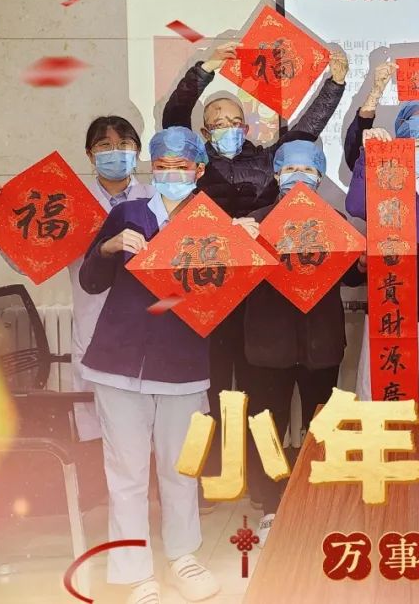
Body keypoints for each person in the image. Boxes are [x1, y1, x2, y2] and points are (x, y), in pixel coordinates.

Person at [78, 127, 258, 604]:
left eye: (181, 167)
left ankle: (182, 556)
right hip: (118, 362)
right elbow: (91, 281)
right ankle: (135, 572)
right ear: (151, 168)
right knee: (127, 472)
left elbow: (228, 297)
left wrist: (247, 246)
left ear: (199, 171)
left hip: (183, 363)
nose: (171, 175)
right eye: (162, 167)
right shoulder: (128, 214)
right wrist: (107, 248)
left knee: (181, 468)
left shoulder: (214, 223)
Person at [161, 39, 349, 469]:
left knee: (255, 395)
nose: (227, 127)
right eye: (217, 122)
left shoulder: (268, 162)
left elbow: (305, 133)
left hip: (260, 295)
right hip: (209, 290)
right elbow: (174, 118)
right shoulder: (195, 165)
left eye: (234, 121)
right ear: (204, 132)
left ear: (246, 127)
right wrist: (206, 68)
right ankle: (213, 472)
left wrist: (334, 85)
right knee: (209, 388)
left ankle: (254, 474)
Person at [0, 116, 154, 448]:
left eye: (124, 144)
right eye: (104, 145)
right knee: (99, 424)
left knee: (149, 423)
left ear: (137, 151)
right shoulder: (69, 204)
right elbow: (24, 260)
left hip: (148, 326)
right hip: (94, 322)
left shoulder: (156, 197)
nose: (115, 152)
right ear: (90, 154)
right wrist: (2, 214)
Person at [242, 140, 364, 513]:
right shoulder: (255, 222)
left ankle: (319, 499)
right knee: (267, 424)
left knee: (321, 423)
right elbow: (237, 283)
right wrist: (239, 243)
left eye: (308, 169)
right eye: (291, 169)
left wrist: (359, 262)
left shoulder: (335, 220)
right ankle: (268, 503)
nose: (299, 176)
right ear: (276, 173)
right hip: (268, 344)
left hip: (321, 343)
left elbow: (349, 278)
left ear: (320, 175)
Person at [346, 113, 419, 401]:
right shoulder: (389, 192)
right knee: (386, 390)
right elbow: (356, 205)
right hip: (394, 308)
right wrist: (367, 157)